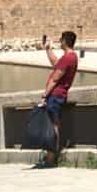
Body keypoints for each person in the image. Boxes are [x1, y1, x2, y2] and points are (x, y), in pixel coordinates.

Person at [36, 30, 78, 168]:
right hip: (58, 96)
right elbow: (56, 64)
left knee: (53, 126)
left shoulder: (68, 58)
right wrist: (48, 50)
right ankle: (51, 156)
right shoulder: (70, 57)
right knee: (53, 125)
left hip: (55, 96)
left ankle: (51, 158)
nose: (60, 41)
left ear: (65, 41)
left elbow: (55, 78)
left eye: (61, 40)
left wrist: (45, 95)